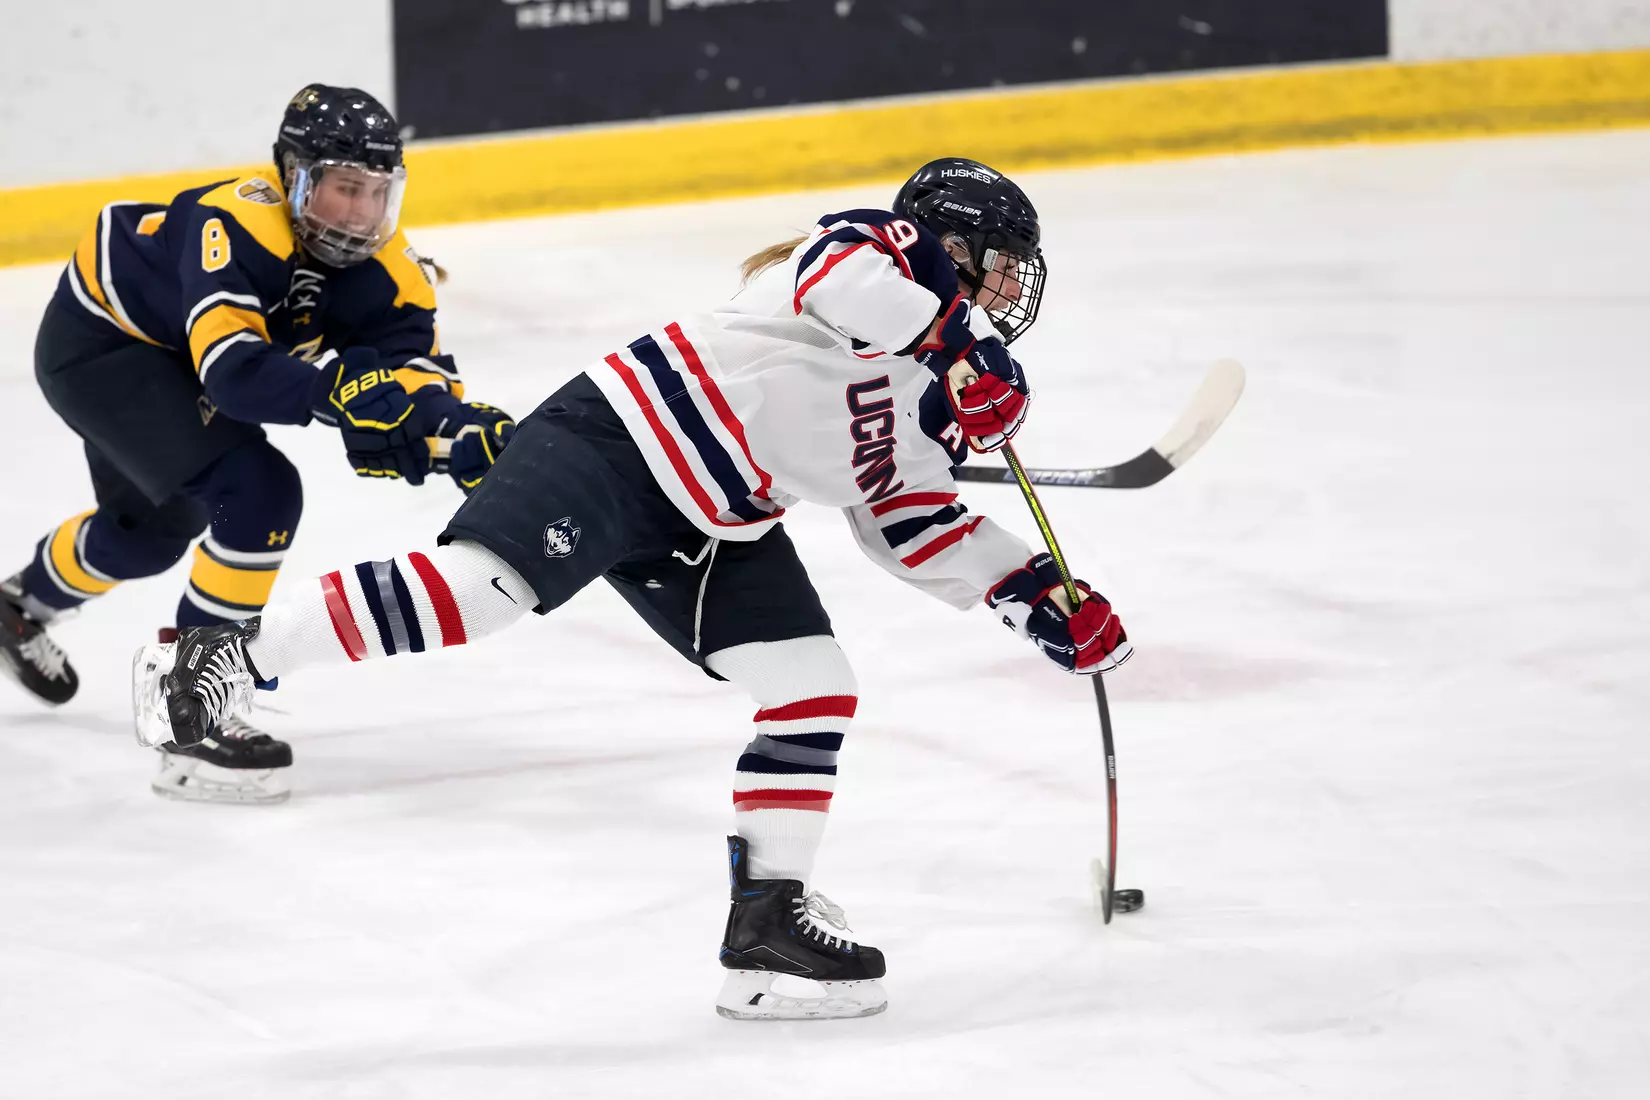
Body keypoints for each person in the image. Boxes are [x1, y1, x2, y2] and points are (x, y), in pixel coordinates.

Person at [131, 158, 1132, 1019]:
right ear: (949, 245)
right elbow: (841, 280)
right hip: (615, 441)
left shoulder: (934, 399)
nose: (1008, 290)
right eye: (998, 264)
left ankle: (766, 926)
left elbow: (908, 520)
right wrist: (960, 345)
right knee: (483, 592)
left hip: (715, 522)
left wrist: (1034, 594)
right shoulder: (875, 254)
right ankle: (232, 656)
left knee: (812, 687)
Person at [0, 85, 514, 804]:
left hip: (173, 360)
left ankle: (20, 604)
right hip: (105, 346)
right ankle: (189, 714)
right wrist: (339, 394)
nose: (362, 215)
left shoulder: (392, 267)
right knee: (257, 491)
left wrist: (450, 429)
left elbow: (411, 375)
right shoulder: (234, 223)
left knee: (150, 536)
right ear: (293, 174)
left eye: (376, 192)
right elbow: (237, 378)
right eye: (343, 188)